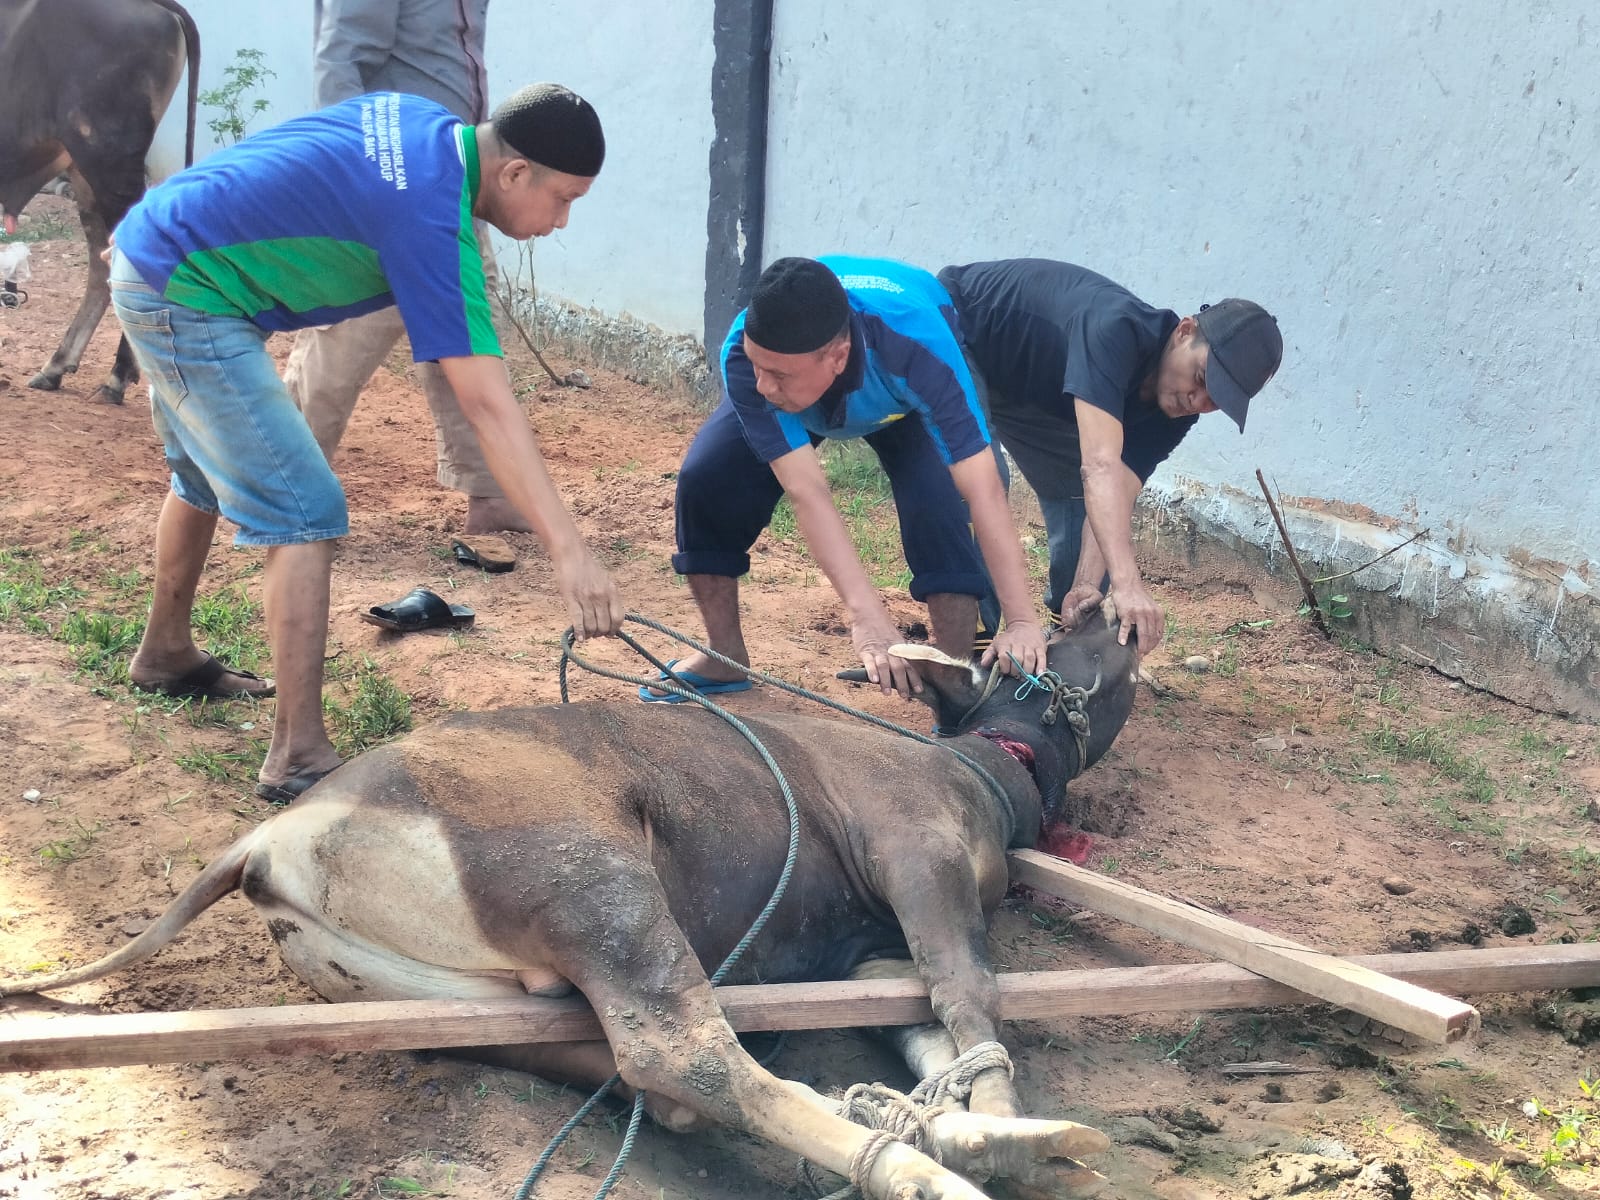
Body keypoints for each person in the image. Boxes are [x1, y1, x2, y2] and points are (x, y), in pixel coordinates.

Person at [110, 83, 626, 802]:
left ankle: (165, 653)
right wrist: (571, 553)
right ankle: (298, 756)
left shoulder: (425, 125)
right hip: (183, 291)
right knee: (304, 508)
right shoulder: (429, 218)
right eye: (563, 199)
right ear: (515, 173)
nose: (562, 220)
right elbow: (487, 404)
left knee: (203, 473)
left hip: (165, 254)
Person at [649, 255, 1047, 703]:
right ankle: (723, 655)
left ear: (838, 357)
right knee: (706, 479)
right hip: (812, 394)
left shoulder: (919, 345)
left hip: (904, 397)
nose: (762, 386)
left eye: (777, 374)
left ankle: (952, 679)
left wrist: (1022, 621)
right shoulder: (748, 357)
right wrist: (866, 616)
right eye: (758, 367)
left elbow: (983, 488)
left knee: (941, 503)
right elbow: (807, 490)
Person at [937, 259, 1283, 652]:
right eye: (1201, 378)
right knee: (981, 477)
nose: (1198, 401)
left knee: (1081, 495)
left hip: (1029, 386)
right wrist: (1127, 583)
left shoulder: (1174, 410)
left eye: (1216, 400)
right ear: (1184, 332)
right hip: (960, 330)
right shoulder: (1113, 329)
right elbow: (1099, 466)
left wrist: (1087, 583)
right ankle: (968, 653)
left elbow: (1117, 487)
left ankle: (1065, 637)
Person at [282, 0, 524, 534]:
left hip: (452, 181)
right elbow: (340, 60)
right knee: (345, 337)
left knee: (468, 333)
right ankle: (284, 495)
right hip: (387, 186)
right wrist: (359, 174)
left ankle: (490, 492)